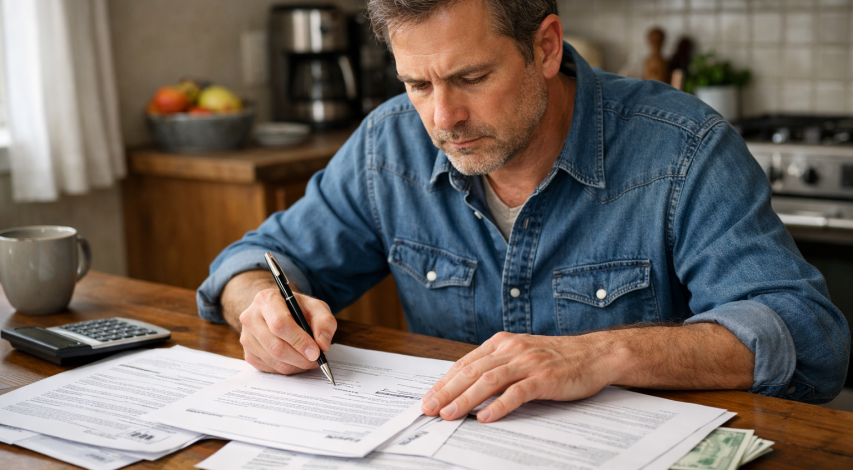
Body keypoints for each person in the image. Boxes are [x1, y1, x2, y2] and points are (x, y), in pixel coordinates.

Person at [197, 0, 850, 424]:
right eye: (417, 84)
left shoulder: (683, 148)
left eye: (471, 78)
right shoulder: (387, 141)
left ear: (545, 47)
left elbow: (807, 338)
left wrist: (604, 355)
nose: (441, 118)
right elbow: (252, 262)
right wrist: (258, 302)